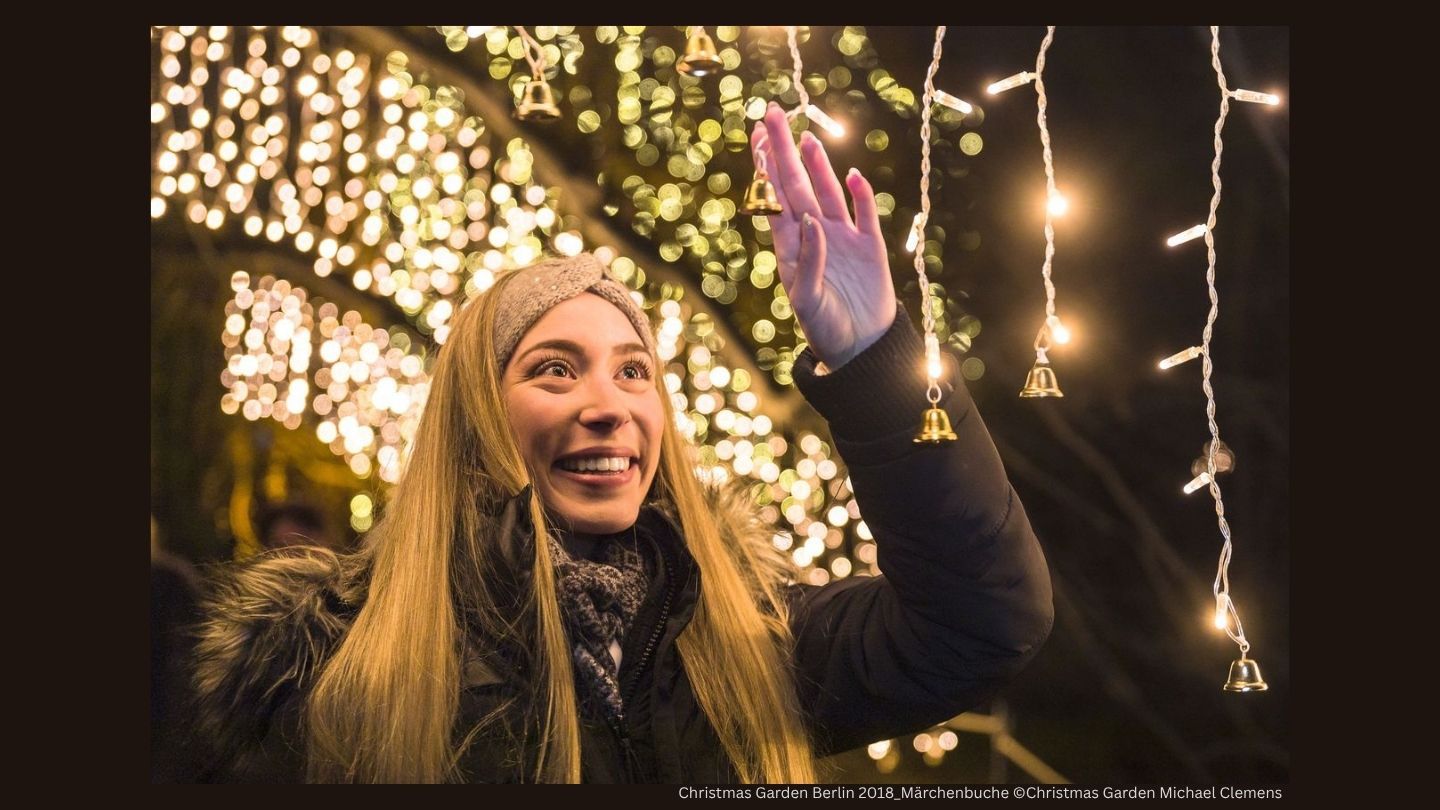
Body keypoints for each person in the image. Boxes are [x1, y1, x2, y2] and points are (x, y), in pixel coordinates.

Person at [190, 101, 1052, 783]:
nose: (609, 404)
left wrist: (875, 363)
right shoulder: (332, 666)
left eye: (634, 371)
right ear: (475, 416)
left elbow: (983, 624)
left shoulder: (745, 633)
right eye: (555, 370)